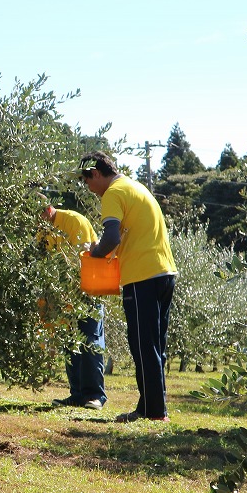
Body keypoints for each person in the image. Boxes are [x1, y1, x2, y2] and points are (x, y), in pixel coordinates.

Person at [79, 151, 177, 423]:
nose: (89, 189)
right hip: (165, 272)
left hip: (142, 276)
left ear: (96, 173)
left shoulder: (113, 193)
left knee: (143, 345)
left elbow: (111, 238)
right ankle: (152, 407)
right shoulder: (136, 187)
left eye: (87, 181)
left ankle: (154, 412)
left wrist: (94, 252)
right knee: (155, 345)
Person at [38, 203, 107, 410]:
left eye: (38, 215)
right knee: (70, 343)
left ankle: (95, 396)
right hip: (64, 294)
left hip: (86, 291)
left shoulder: (74, 221)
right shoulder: (42, 231)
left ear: (48, 210)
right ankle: (77, 394)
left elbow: (82, 259)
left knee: (89, 341)